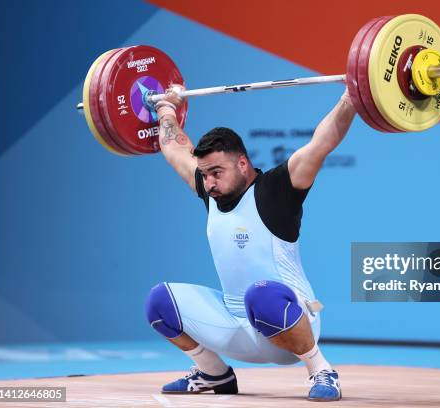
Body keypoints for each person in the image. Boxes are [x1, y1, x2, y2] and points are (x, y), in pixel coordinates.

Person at [144, 83, 356, 402]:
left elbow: (323, 142)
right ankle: (214, 374)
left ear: (243, 164)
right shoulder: (210, 189)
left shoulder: (278, 189)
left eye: (216, 172)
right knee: (159, 302)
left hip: (290, 321)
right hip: (234, 325)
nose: (209, 182)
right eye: (205, 174)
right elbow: (175, 148)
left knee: (261, 293)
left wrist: (352, 95)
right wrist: (165, 107)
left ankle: (320, 369)